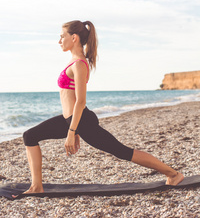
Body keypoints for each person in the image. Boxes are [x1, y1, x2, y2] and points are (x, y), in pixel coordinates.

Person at [21, 20, 184, 195]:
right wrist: (72, 130)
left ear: (74, 38)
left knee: (122, 151)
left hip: (81, 120)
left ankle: (173, 174)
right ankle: (37, 186)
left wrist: (71, 131)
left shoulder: (79, 64)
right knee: (29, 136)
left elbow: (80, 101)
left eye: (62, 36)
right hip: (71, 120)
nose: (59, 41)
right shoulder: (74, 61)